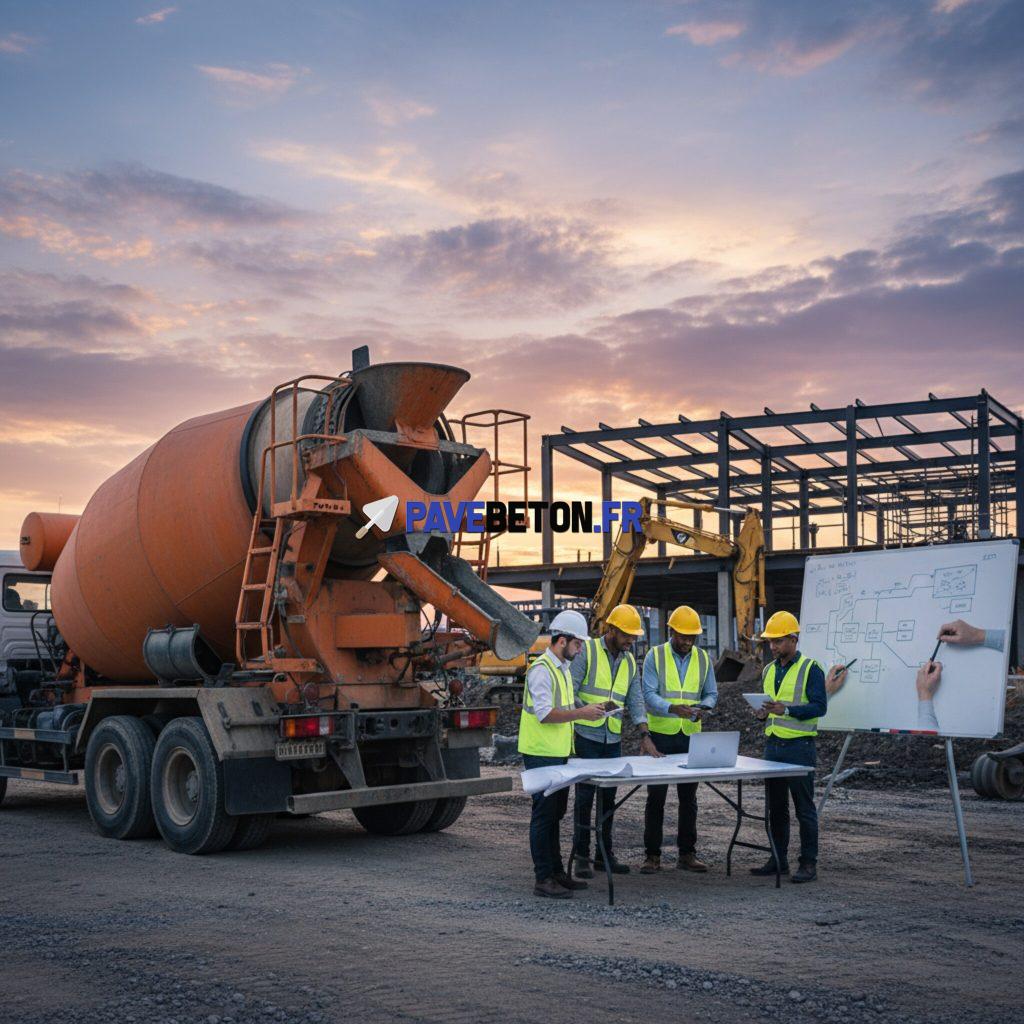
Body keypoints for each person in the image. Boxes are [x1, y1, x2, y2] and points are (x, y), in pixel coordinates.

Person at [518, 609, 607, 899]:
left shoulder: (562, 669)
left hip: (557, 754)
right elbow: (545, 715)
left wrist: (592, 710)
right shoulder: (543, 670)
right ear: (561, 641)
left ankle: (556, 872)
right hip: (540, 754)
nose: (580, 649)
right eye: (577, 644)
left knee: (555, 814)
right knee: (543, 816)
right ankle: (543, 878)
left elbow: (567, 706)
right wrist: (582, 713)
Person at [570, 603, 660, 879]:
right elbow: (568, 690)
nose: (630, 641)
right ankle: (581, 857)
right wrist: (587, 709)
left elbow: (634, 700)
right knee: (584, 798)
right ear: (610, 630)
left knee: (608, 799)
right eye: (626, 635)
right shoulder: (587, 652)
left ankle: (603, 854)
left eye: (633, 636)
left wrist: (645, 734)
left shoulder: (630, 661)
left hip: (612, 740)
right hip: (585, 736)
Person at [639, 605, 717, 875]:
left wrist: (702, 708)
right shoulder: (655, 656)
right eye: (682, 636)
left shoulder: (703, 658)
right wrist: (672, 708)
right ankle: (652, 855)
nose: (687, 642)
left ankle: (687, 853)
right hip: (661, 734)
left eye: (691, 637)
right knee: (656, 797)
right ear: (671, 631)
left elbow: (712, 694)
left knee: (689, 798)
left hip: (690, 736)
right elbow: (648, 694)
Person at [750, 610, 827, 884]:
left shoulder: (811, 668)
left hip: (799, 748)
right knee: (776, 808)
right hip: (774, 747)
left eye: (778, 641)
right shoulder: (769, 670)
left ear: (793, 639)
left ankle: (808, 863)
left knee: (804, 809)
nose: (773, 646)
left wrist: (786, 710)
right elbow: (770, 707)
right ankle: (778, 859)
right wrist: (763, 713)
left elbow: (820, 707)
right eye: (770, 641)